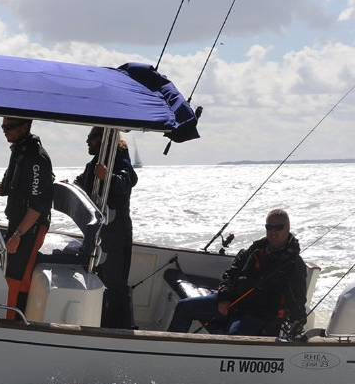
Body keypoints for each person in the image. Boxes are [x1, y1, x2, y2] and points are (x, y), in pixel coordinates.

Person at [168, 208, 309, 337]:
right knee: (184, 306)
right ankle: (168, 351)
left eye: (278, 227)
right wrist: (224, 298)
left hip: (256, 314)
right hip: (232, 302)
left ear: (288, 228)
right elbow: (229, 275)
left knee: (234, 336)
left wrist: (298, 320)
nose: (273, 231)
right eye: (269, 227)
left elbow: (297, 298)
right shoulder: (253, 251)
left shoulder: (294, 264)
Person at [0, 117, 53, 318]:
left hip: (30, 228)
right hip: (18, 225)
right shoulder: (19, 152)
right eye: (3, 127)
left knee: (15, 277)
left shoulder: (36, 158)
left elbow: (38, 205)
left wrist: (18, 235)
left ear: (25, 127)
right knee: (8, 273)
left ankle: (10, 323)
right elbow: (6, 188)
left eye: (10, 127)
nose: (5, 131)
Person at [73, 127, 138, 329]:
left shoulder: (118, 157)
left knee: (116, 283)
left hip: (116, 231)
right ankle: (100, 323)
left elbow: (128, 180)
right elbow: (84, 181)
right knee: (98, 277)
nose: (87, 142)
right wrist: (74, 185)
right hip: (100, 231)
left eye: (91, 138)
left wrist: (107, 176)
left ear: (105, 139)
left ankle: (123, 329)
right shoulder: (95, 161)